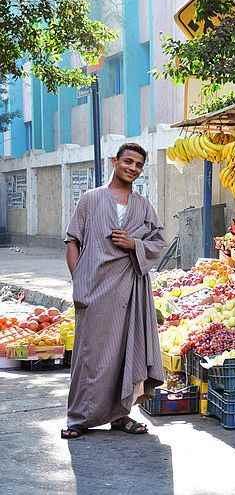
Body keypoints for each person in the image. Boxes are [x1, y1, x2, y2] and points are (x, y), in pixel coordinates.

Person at [61, 143, 166, 439]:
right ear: (114, 161)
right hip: (94, 291)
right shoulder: (90, 200)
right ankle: (78, 418)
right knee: (91, 355)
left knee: (125, 353)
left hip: (130, 291)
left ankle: (121, 416)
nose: (132, 168)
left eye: (138, 165)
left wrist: (134, 244)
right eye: (128, 161)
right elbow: (73, 242)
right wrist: (79, 282)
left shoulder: (143, 205)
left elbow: (158, 241)